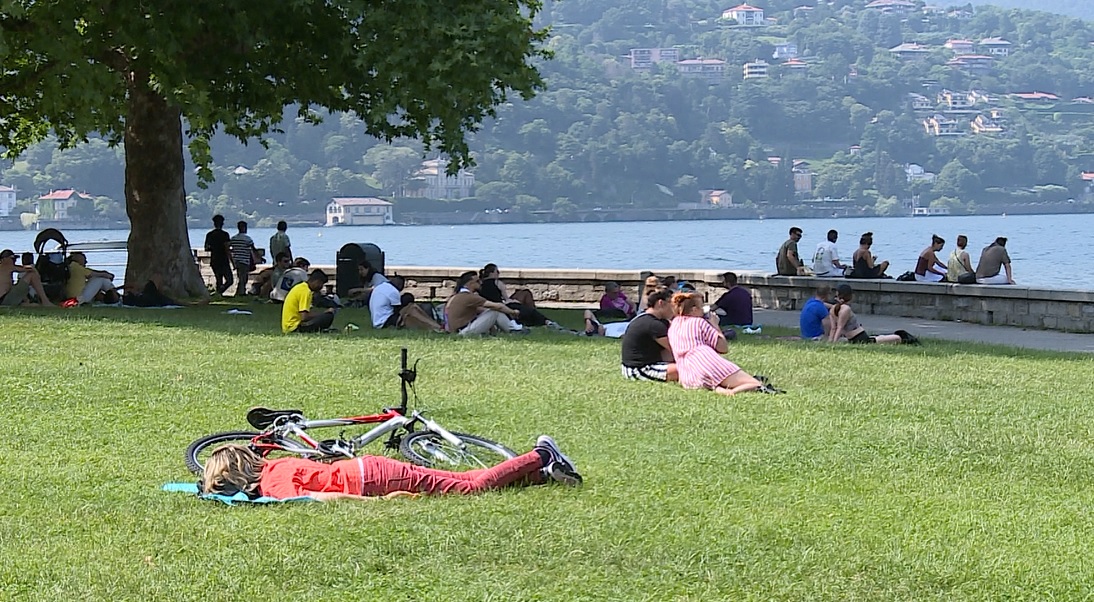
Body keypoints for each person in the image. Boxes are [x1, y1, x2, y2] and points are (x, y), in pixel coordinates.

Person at [198, 435, 582, 501]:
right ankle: (539, 475)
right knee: (463, 480)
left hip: (376, 481)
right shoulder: (276, 466)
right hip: (370, 468)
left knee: (470, 487)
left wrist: (386, 501)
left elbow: (325, 500)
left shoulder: (276, 487)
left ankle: (539, 456)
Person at [666, 292, 766, 395]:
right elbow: (723, 348)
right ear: (694, 310)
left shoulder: (674, 325)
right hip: (706, 361)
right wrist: (715, 325)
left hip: (688, 374)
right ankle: (732, 392)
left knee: (715, 384)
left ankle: (721, 389)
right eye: (702, 307)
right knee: (755, 384)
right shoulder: (698, 322)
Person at [620, 288, 678, 382]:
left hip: (636, 365)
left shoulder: (644, 318)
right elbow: (676, 349)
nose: (674, 308)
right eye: (672, 304)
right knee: (688, 369)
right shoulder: (654, 325)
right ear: (661, 303)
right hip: (638, 369)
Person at [828, 284, 918, 344]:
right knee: (894, 339)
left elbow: (834, 328)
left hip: (857, 337)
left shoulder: (833, 308)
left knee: (884, 338)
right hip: (859, 338)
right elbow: (838, 328)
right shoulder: (845, 309)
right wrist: (833, 343)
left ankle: (901, 336)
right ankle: (902, 337)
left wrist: (831, 341)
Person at [444, 271, 523, 335]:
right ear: (470, 283)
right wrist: (513, 312)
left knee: (491, 311)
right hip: (463, 331)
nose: (481, 283)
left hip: (457, 331)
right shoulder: (470, 297)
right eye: (478, 281)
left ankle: (511, 328)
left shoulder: (458, 296)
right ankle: (513, 330)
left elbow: (482, 311)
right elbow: (498, 307)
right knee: (495, 311)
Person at [479, 263, 548, 327]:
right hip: (500, 306)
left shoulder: (480, 285)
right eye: (497, 271)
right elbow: (506, 299)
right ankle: (539, 317)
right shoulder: (497, 283)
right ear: (492, 273)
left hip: (490, 305)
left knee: (522, 293)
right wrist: (513, 301)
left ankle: (534, 314)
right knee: (525, 294)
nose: (498, 274)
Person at [369, 275, 443, 331]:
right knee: (412, 308)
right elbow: (397, 310)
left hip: (376, 321)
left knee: (412, 308)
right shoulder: (393, 291)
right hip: (386, 321)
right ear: (400, 285)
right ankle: (436, 326)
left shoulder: (381, 286)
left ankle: (435, 325)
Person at [282, 269, 336, 333]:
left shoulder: (301, 287)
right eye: (321, 284)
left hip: (288, 327)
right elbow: (304, 317)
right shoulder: (306, 292)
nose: (321, 287)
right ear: (317, 281)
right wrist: (324, 313)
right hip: (294, 328)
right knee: (328, 316)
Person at [203, 215, 234, 295]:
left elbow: (206, 248)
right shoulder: (225, 235)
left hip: (214, 259)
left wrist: (214, 248)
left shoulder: (209, 234)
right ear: (222, 223)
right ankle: (219, 292)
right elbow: (227, 248)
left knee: (218, 279)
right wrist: (232, 261)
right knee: (230, 280)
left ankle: (218, 292)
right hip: (223, 260)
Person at [229, 220, 257, 297]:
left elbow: (229, 247)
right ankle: (241, 293)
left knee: (240, 276)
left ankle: (240, 291)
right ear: (244, 228)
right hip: (244, 260)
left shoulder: (233, 238)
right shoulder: (247, 239)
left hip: (236, 260)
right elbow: (253, 249)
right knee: (244, 278)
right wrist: (259, 257)